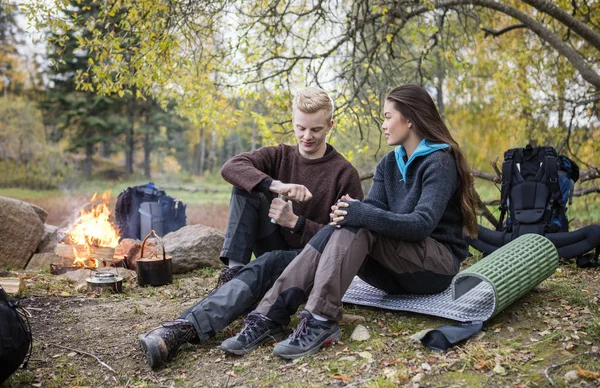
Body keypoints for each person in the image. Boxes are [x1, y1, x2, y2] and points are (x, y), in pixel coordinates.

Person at [220, 84, 479, 359]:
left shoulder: (439, 162)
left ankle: (320, 319)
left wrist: (358, 213)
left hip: (433, 269)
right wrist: (351, 212)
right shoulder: (389, 163)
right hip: (391, 275)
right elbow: (370, 213)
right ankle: (268, 316)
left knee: (356, 218)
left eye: (387, 116)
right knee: (346, 221)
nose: (383, 125)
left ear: (410, 119)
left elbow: (420, 224)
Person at [138, 86, 364, 368]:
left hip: (310, 265)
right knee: (246, 188)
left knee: (268, 263)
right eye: (301, 128)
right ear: (293, 120)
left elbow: (344, 244)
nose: (307, 137)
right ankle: (233, 273)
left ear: (331, 125)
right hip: (274, 246)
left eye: (316, 130)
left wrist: (295, 222)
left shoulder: (344, 174)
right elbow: (231, 167)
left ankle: (181, 330)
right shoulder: (280, 155)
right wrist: (276, 185)